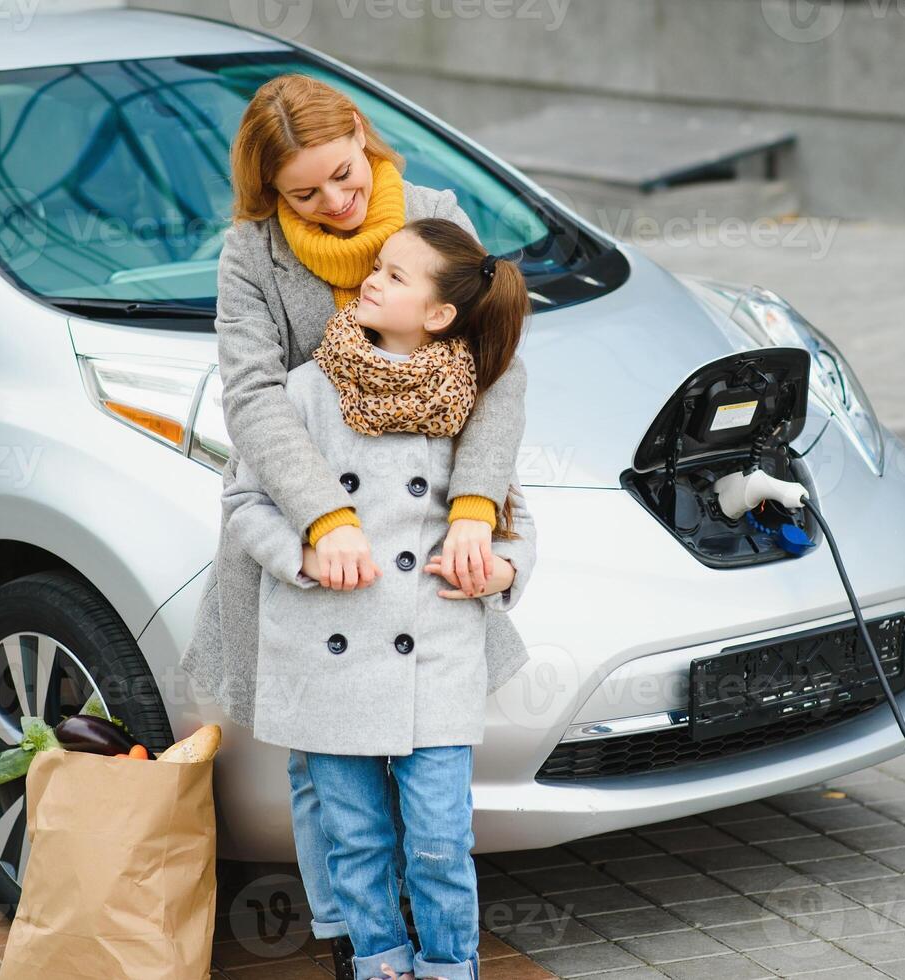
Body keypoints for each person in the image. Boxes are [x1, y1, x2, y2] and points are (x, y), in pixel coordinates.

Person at [181, 73, 527, 978]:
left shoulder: (435, 215)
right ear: (271, 194)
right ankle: (353, 942)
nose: (338, 204)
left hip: (421, 528)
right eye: (307, 192)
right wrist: (323, 519)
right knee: (321, 766)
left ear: (366, 142)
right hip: (311, 513)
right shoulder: (251, 254)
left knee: (428, 780)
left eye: (347, 175)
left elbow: (498, 363)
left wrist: (477, 507)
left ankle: (433, 943)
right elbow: (253, 396)